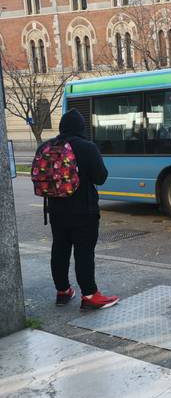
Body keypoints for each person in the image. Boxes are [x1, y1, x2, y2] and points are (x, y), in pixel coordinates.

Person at [46, 109, 120, 310]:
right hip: (83, 211)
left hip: (55, 210)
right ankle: (89, 295)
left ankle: (63, 291)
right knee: (84, 253)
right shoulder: (87, 147)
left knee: (59, 250)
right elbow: (101, 178)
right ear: (81, 128)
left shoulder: (47, 146)